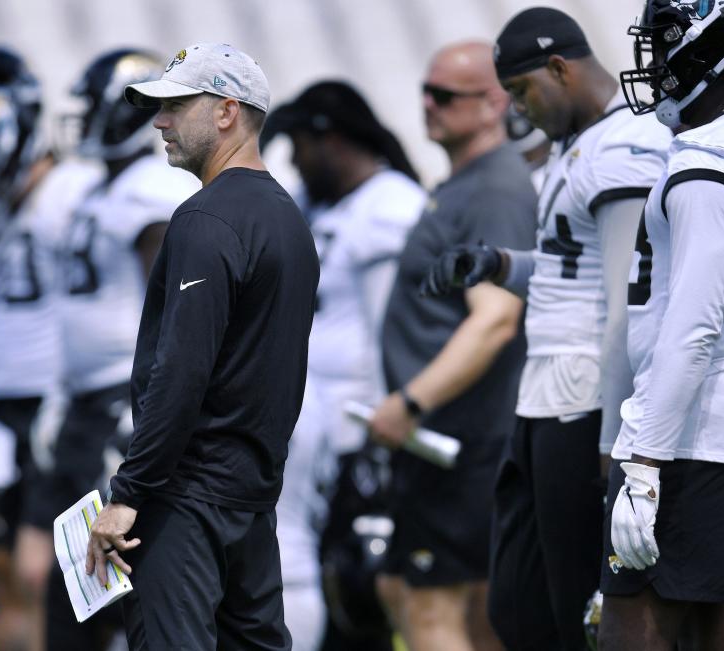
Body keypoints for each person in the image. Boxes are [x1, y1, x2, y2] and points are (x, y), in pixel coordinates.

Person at [426, 8, 672, 649]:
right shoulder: (578, 144)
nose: (519, 109)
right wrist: (499, 264)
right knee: (517, 604)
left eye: (523, 91)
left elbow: (626, 299)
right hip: (544, 397)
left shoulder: (625, 145)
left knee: (574, 610)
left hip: (585, 398)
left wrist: (616, 437)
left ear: (560, 68)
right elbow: (574, 266)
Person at [85, 42, 319, 651]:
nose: (159, 122)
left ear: (225, 111)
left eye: (175, 106)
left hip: (189, 499)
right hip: (252, 497)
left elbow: (182, 372)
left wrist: (128, 493)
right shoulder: (289, 219)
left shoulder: (205, 218)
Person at [368, 41, 537, 651]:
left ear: (494, 103)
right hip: (447, 438)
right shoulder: (467, 182)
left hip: (459, 437)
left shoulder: (494, 188)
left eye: (445, 95)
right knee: (423, 596)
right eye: (425, 91)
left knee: (431, 605)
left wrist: (410, 402)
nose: (428, 105)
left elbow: (495, 319)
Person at [601, 1, 724, 649]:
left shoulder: (716, 152)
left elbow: (694, 325)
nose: (656, 60)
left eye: (666, 41)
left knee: (629, 635)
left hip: (690, 439)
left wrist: (643, 462)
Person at [0, 44, 99, 650]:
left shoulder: (77, 192)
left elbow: (100, 310)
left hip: (58, 403)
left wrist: (68, 395)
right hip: (5, 402)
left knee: (61, 577)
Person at [42, 48, 198, 651]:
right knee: (74, 584)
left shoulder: (147, 188)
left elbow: (172, 309)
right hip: (88, 400)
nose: (83, 122)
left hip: (121, 400)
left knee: (104, 583)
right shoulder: (101, 186)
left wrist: (146, 411)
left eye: (91, 109)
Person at [262, 80, 426, 651]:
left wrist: (384, 435)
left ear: (329, 140)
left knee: (346, 588)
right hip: (308, 425)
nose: (295, 164)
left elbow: (391, 332)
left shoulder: (388, 206)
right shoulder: (321, 205)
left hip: (357, 428)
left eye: (300, 147)